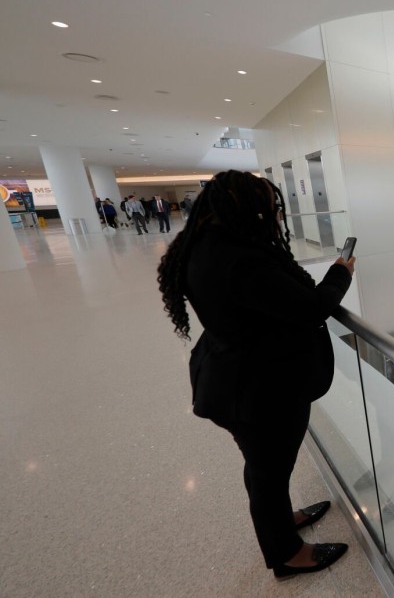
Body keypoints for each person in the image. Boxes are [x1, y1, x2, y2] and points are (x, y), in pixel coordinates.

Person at [155, 170, 352, 578]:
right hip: (259, 389)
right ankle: (286, 554)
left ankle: (283, 521)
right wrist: (340, 274)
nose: (276, 215)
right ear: (247, 208)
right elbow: (311, 306)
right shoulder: (239, 260)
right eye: (271, 207)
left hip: (235, 377)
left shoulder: (204, 246)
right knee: (267, 473)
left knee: (266, 469)